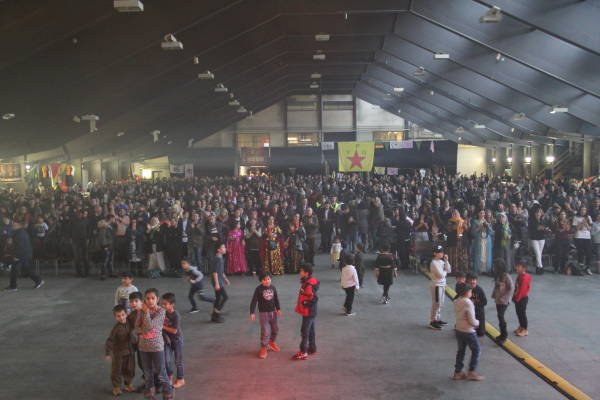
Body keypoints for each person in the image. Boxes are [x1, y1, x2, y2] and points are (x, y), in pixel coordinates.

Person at [135, 288, 173, 400]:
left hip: (157, 347)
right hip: (143, 347)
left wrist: (146, 313)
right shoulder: (140, 312)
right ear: (144, 299)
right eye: (148, 298)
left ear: (157, 299)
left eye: (153, 298)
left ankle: (167, 391)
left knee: (161, 371)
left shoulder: (161, 311)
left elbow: (150, 326)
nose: (150, 300)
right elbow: (136, 328)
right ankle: (150, 393)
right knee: (147, 372)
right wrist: (145, 330)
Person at [452, 283, 485, 381]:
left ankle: (457, 372)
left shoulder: (456, 301)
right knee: (477, 349)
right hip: (468, 331)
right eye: (470, 291)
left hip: (458, 329)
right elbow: (471, 320)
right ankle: (471, 371)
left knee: (461, 351)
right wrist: (477, 323)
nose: (471, 292)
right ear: (467, 292)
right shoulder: (468, 303)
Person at [105, 305, 136, 396]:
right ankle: (116, 387)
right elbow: (110, 340)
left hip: (130, 352)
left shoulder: (130, 323)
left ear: (126, 314)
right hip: (119, 353)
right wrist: (107, 352)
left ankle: (128, 384)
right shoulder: (116, 329)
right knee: (116, 370)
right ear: (115, 317)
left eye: (123, 315)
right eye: (118, 316)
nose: (121, 317)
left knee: (130, 368)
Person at [250, 272, 282, 359]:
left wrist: (278, 309)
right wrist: (252, 312)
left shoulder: (273, 288)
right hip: (263, 314)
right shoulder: (258, 289)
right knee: (265, 331)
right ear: (261, 281)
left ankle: (271, 342)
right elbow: (254, 301)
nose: (267, 281)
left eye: (268, 279)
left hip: (273, 312)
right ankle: (263, 347)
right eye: (264, 280)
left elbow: (276, 299)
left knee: (275, 329)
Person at [6, 221, 43, 291]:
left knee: (14, 270)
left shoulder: (20, 234)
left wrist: (16, 256)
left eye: (14, 225)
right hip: (24, 254)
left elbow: (20, 246)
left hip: (21, 255)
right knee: (26, 269)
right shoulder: (19, 232)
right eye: (12, 225)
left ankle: (13, 286)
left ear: (19, 226)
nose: (12, 226)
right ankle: (38, 280)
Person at [293, 264, 320, 360]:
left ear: (306, 273)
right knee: (311, 330)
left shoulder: (309, 284)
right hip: (311, 312)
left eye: (301, 271)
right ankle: (312, 348)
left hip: (308, 312)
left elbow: (314, 298)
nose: (300, 272)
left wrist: (304, 303)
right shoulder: (309, 281)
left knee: (304, 331)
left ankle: (303, 352)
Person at [161, 293, 185, 389]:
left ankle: (180, 379)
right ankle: (169, 376)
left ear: (172, 304)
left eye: (165, 304)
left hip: (177, 340)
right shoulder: (163, 313)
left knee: (178, 361)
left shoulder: (176, 315)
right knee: (166, 360)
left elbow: (174, 330)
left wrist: (162, 326)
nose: (163, 306)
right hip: (167, 340)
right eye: (162, 304)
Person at [491, 259, 513, 343]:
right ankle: (502, 334)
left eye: (495, 267)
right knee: (499, 316)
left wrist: (504, 298)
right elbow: (497, 287)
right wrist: (494, 295)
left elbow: (511, 288)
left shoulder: (506, 276)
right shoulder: (498, 276)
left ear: (499, 267)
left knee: (501, 316)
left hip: (504, 301)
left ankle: (504, 335)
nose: (493, 268)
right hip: (498, 300)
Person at [429, 245, 451, 330]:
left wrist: (446, 261)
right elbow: (441, 275)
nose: (441, 253)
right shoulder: (434, 263)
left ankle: (437, 319)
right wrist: (445, 271)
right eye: (439, 252)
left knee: (441, 303)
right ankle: (432, 321)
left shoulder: (442, 261)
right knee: (436, 303)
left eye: (442, 252)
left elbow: (449, 270)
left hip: (442, 284)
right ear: (435, 253)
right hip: (437, 285)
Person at [126, 291, 145, 389]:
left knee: (148, 364)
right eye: (131, 301)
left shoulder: (146, 313)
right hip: (138, 345)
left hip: (148, 344)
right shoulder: (130, 316)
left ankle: (154, 383)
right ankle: (148, 382)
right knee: (141, 363)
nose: (133, 303)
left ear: (142, 301)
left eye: (136, 301)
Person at [470, 210, 493, 275]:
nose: (482, 214)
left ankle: (487, 270)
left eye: (483, 213)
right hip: (479, 239)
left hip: (487, 240)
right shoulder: (475, 221)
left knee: (486, 254)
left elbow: (491, 232)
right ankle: (478, 269)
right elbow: (473, 232)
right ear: (478, 214)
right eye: (481, 213)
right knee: (479, 254)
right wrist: (480, 227)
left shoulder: (487, 221)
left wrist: (487, 226)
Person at [211, 243, 230, 323]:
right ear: (218, 250)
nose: (225, 248)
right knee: (225, 297)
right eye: (223, 247)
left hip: (220, 280)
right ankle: (216, 313)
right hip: (217, 281)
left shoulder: (220, 258)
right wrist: (217, 283)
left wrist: (225, 278)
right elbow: (215, 272)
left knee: (218, 298)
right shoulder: (217, 259)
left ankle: (214, 315)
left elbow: (220, 271)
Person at [512, 260, 531, 337]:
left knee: (522, 314)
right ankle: (521, 326)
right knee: (519, 313)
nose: (516, 268)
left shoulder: (524, 278)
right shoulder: (519, 275)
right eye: (517, 266)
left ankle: (525, 329)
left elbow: (522, 290)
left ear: (523, 268)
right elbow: (516, 287)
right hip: (518, 298)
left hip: (522, 298)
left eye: (518, 267)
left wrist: (516, 298)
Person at [466, 273, 487, 337]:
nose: (472, 281)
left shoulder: (479, 290)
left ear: (476, 280)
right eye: (470, 280)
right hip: (468, 312)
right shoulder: (465, 289)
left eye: (474, 280)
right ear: (467, 280)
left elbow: (485, 302)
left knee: (481, 333)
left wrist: (475, 303)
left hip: (478, 312)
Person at [573, 206, 593, 273]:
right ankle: (580, 267)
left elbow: (589, 228)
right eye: (582, 210)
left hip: (587, 237)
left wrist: (585, 223)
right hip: (579, 236)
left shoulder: (589, 217)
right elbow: (576, 229)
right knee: (580, 252)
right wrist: (582, 223)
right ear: (579, 210)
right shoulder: (576, 217)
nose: (583, 211)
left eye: (584, 210)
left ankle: (587, 267)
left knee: (588, 253)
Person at [529, 208, 548, 274]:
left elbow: (545, 229)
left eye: (539, 213)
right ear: (535, 214)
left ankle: (537, 268)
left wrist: (544, 229)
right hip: (534, 239)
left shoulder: (543, 221)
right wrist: (538, 228)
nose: (538, 214)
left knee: (539, 254)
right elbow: (531, 230)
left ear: (541, 214)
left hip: (542, 238)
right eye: (537, 213)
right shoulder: (531, 221)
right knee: (537, 253)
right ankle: (541, 267)